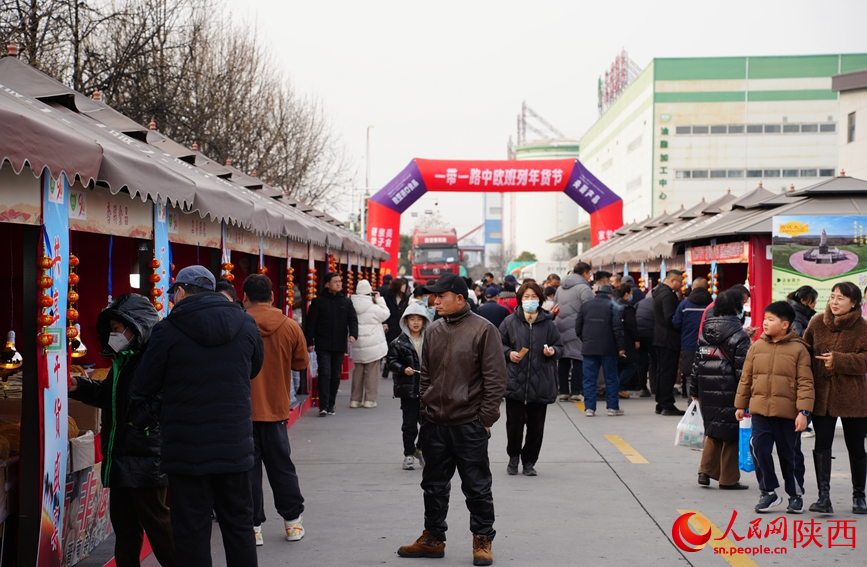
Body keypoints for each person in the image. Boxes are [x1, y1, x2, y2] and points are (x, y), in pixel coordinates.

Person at [129, 265, 264, 567]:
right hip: (234, 445)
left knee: (191, 531)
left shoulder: (167, 329)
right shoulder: (245, 323)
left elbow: (144, 383)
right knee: (239, 527)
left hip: (186, 450)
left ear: (180, 291)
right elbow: (253, 368)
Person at [397, 274, 507, 566]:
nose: (435, 301)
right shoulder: (433, 330)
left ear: (459, 298)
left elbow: (495, 380)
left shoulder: (484, 330)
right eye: (433, 296)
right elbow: (427, 375)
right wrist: (425, 405)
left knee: (477, 487)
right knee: (432, 485)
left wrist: (485, 419)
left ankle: (482, 540)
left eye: (440, 296)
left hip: (468, 423)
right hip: (434, 423)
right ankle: (433, 538)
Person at [69, 294, 175, 567]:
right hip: (120, 456)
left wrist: (138, 419)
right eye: (112, 329)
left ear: (135, 325)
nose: (114, 334)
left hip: (146, 455)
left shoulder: (153, 358)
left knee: (159, 528)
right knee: (126, 533)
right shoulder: (123, 360)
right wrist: (79, 386)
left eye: (117, 328)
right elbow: (108, 395)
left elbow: (167, 396)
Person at [242, 274, 310, 546]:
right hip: (277, 410)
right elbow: (301, 363)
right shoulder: (290, 326)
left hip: (244, 411)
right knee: (282, 468)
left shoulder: (240, 325)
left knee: (248, 472)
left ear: (244, 297)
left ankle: (253, 528)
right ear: (273, 296)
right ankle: (292, 523)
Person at [735, 301, 814, 514]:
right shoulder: (757, 346)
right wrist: (741, 405)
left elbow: (806, 382)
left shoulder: (799, 349)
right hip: (761, 411)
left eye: (771, 320)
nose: (765, 323)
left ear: (785, 324)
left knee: (790, 455)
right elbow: (746, 378)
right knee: (758, 448)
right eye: (765, 319)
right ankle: (768, 491)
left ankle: (795, 495)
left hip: (788, 414)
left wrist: (803, 412)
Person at [803, 282, 867, 515]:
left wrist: (839, 360)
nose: (835, 301)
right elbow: (805, 350)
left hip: (854, 397)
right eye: (832, 296)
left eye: (841, 298)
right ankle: (823, 497)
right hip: (822, 396)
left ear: (853, 303)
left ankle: (859, 496)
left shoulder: (863, 327)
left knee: (856, 447)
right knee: (821, 445)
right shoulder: (817, 323)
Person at [499, 281, 563, 475]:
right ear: (519, 300)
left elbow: (560, 347)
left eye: (534, 297)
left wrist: (553, 351)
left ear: (541, 300)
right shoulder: (509, 322)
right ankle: (513, 457)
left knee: (536, 427)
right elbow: (498, 345)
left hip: (540, 382)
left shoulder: (548, 324)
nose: (530, 300)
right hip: (515, 382)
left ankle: (529, 462)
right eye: (526, 297)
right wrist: (509, 353)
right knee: (514, 425)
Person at [690, 290, 751, 490]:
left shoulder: (705, 331)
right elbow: (743, 370)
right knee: (731, 433)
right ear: (737, 308)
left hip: (707, 387)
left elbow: (697, 363)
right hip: (730, 388)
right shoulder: (739, 335)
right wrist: (746, 395)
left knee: (714, 429)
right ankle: (728, 479)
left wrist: (694, 390)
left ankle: (705, 471)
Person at [304, 272, 358, 416]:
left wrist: (353, 334)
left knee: (335, 374)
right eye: (335, 282)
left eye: (340, 281)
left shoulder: (346, 302)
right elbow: (311, 324)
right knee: (325, 373)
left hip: (339, 344)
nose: (339, 284)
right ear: (327, 284)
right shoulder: (318, 301)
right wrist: (309, 341)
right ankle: (323, 405)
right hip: (323, 343)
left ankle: (331, 404)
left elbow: (352, 320)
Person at [387, 302, 432, 470]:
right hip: (408, 389)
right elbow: (391, 362)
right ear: (405, 321)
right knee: (409, 424)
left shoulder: (431, 339)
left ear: (424, 321)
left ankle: (420, 449)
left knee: (428, 424)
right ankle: (408, 454)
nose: (415, 322)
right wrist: (401, 369)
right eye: (412, 319)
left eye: (419, 319)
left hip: (428, 390)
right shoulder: (397, 342)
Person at [575, 284, 626, 417]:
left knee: (589, 379)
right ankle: (612, 408)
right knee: (611, 378)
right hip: (608, 348)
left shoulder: (585, 305)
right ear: (609, 295)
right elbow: (617, 328)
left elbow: (578, 327)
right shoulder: (611, 305)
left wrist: (585, 339)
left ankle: (589, 408)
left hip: (589, 348)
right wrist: (620, 347)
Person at [554, 263, 594, 402]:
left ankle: (563, 391)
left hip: (561, 326)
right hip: (578, 328)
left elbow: (556, 306)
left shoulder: (560, 288)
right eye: (589, 273)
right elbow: (589, 309)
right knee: (578, 359)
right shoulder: (584, 288)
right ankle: (576, 391)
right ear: (584, 273)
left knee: (564, 359)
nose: (590, 276)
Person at [349, 279, 391, 408]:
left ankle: (355, 400)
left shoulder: (351, 305)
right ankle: (369, 400)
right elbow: (386, 314)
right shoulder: (374, 307)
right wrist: (379, 300)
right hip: (373, 344)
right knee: (371, 373)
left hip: (357, 344)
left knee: (358, 372)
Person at [652, 270, 686, 416]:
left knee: (662, 371)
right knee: (668, 372)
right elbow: (670, 318)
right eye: (680, 282)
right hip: (668, 338)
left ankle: (660, 402)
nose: (681, 285)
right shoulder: (668, 295)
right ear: (672, 280)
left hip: (660, 337)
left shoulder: (658, 291)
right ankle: (667, 404)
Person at [673, 278, 713, 398]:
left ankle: (692, 404)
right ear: (707, 288)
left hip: (688, 345)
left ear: (693, 288)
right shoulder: (711, 305)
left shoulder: (684, 305)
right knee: (706, 375)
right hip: (707, 345)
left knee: (690, 375)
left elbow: (676, 323)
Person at [615, 284, 640, 399]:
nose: (631, 296)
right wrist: (636, 339)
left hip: (615, 337)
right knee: (632, 363)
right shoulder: (627, 308)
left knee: (620, 363)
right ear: (626, 294)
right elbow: (631, 325)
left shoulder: (613, 304)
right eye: (630, 293)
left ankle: (617, 387)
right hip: (627, 339)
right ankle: (620, 387)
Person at [635, 293, 655, 397]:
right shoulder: (657, 303)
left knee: (642, 361)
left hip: (639, 334)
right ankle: (655, 387)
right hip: (651, 334)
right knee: (655, 360)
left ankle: (642, 387)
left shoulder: (640, 303)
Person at [385, 277, 410, 346]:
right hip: (391, 326)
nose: (404, 287)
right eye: (403, 285)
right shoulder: (388, 297)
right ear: (397, 286)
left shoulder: (406, 297)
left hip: (402, 326)